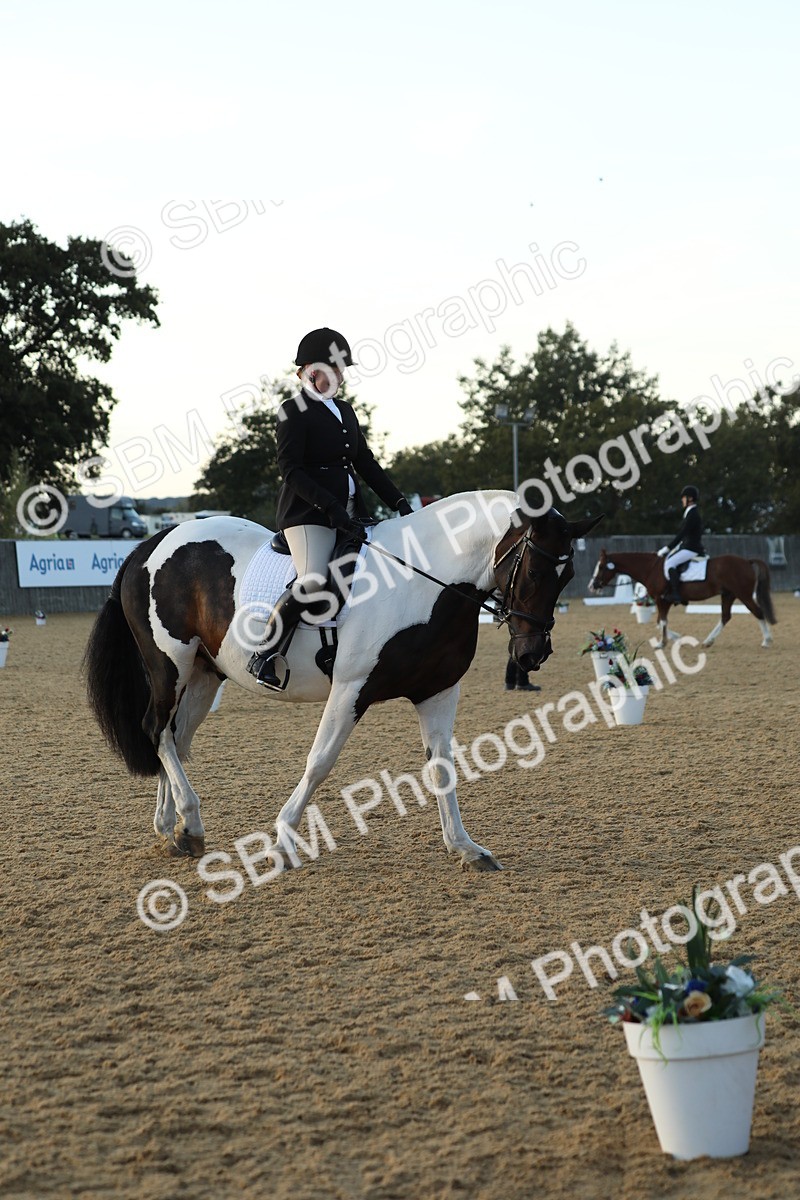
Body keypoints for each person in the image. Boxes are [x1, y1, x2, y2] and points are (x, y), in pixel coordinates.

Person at [247, 327, 413, 689]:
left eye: (341, 370)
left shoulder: (345, 411)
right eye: (333, 369)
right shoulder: (293, 411)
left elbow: (365, 463)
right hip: (309, 514)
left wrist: (398, 501)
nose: (340, 376)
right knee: (313, 580)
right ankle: (264, 653)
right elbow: (290, 470)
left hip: (351, 512)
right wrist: (331, 506)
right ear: (309, 372)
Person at [657, 484, 706, 604]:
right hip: (687, 546)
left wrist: (668, 548)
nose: (682, 500)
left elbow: (682, 533)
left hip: (691, 548)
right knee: (671, 561)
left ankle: (676, 595)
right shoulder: (690, 513)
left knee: (670, 563)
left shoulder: (693, 514)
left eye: (684, 498)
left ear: (690, 498)